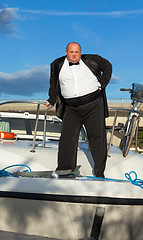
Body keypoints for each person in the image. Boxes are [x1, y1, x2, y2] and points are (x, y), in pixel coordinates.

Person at [45, 42, 112, 177]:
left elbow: (108, 66)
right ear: (66, 52)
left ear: (80, 52)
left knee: (97, 137)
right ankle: (65, 170)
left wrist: (102, 83)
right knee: (67, 138)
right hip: (71, 107)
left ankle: (100, 172)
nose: (74, 55)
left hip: (93, 104)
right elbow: (54, 84)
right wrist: (52, 99)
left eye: (77, 52)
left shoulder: (93, 60)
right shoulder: (56, 65)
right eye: (71, 52)